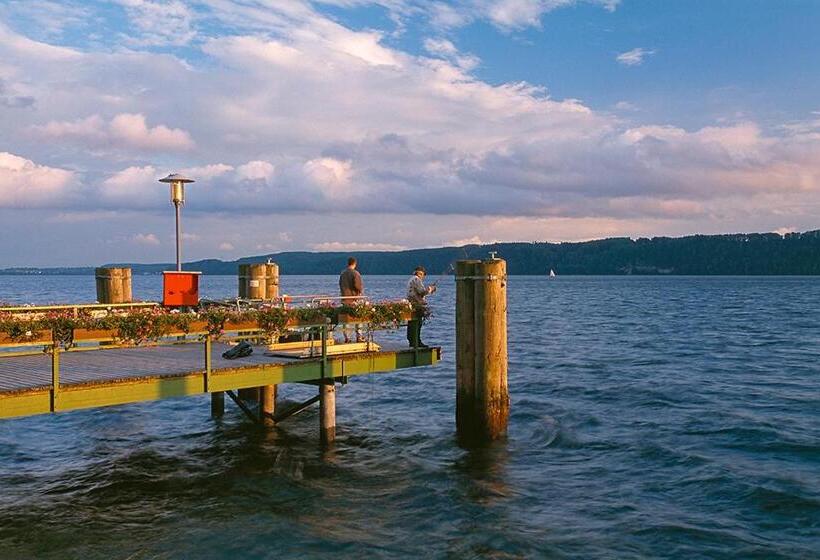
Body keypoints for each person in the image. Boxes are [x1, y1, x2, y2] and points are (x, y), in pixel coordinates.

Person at [406, 265, 436, 348]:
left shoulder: (411, 279)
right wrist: (430, 289)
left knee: (412, 323)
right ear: (420, 273)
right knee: (417, 323)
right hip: (416, 305)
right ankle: (416, 341)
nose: (423, 277)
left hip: (411, 303)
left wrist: (429, 290)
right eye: (423, 274)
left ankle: (412, 341)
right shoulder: (416, 279)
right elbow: (421, 292)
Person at [339, 256, 364, 343]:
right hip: (354, 299)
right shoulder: (355, 273)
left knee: (346, 319)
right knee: (359, 317)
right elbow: (358, 286)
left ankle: (347, 337)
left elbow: (340, 284)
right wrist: (360, 291)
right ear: (355, 264)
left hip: (344, 298)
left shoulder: (343, 274)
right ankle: (359, 336)